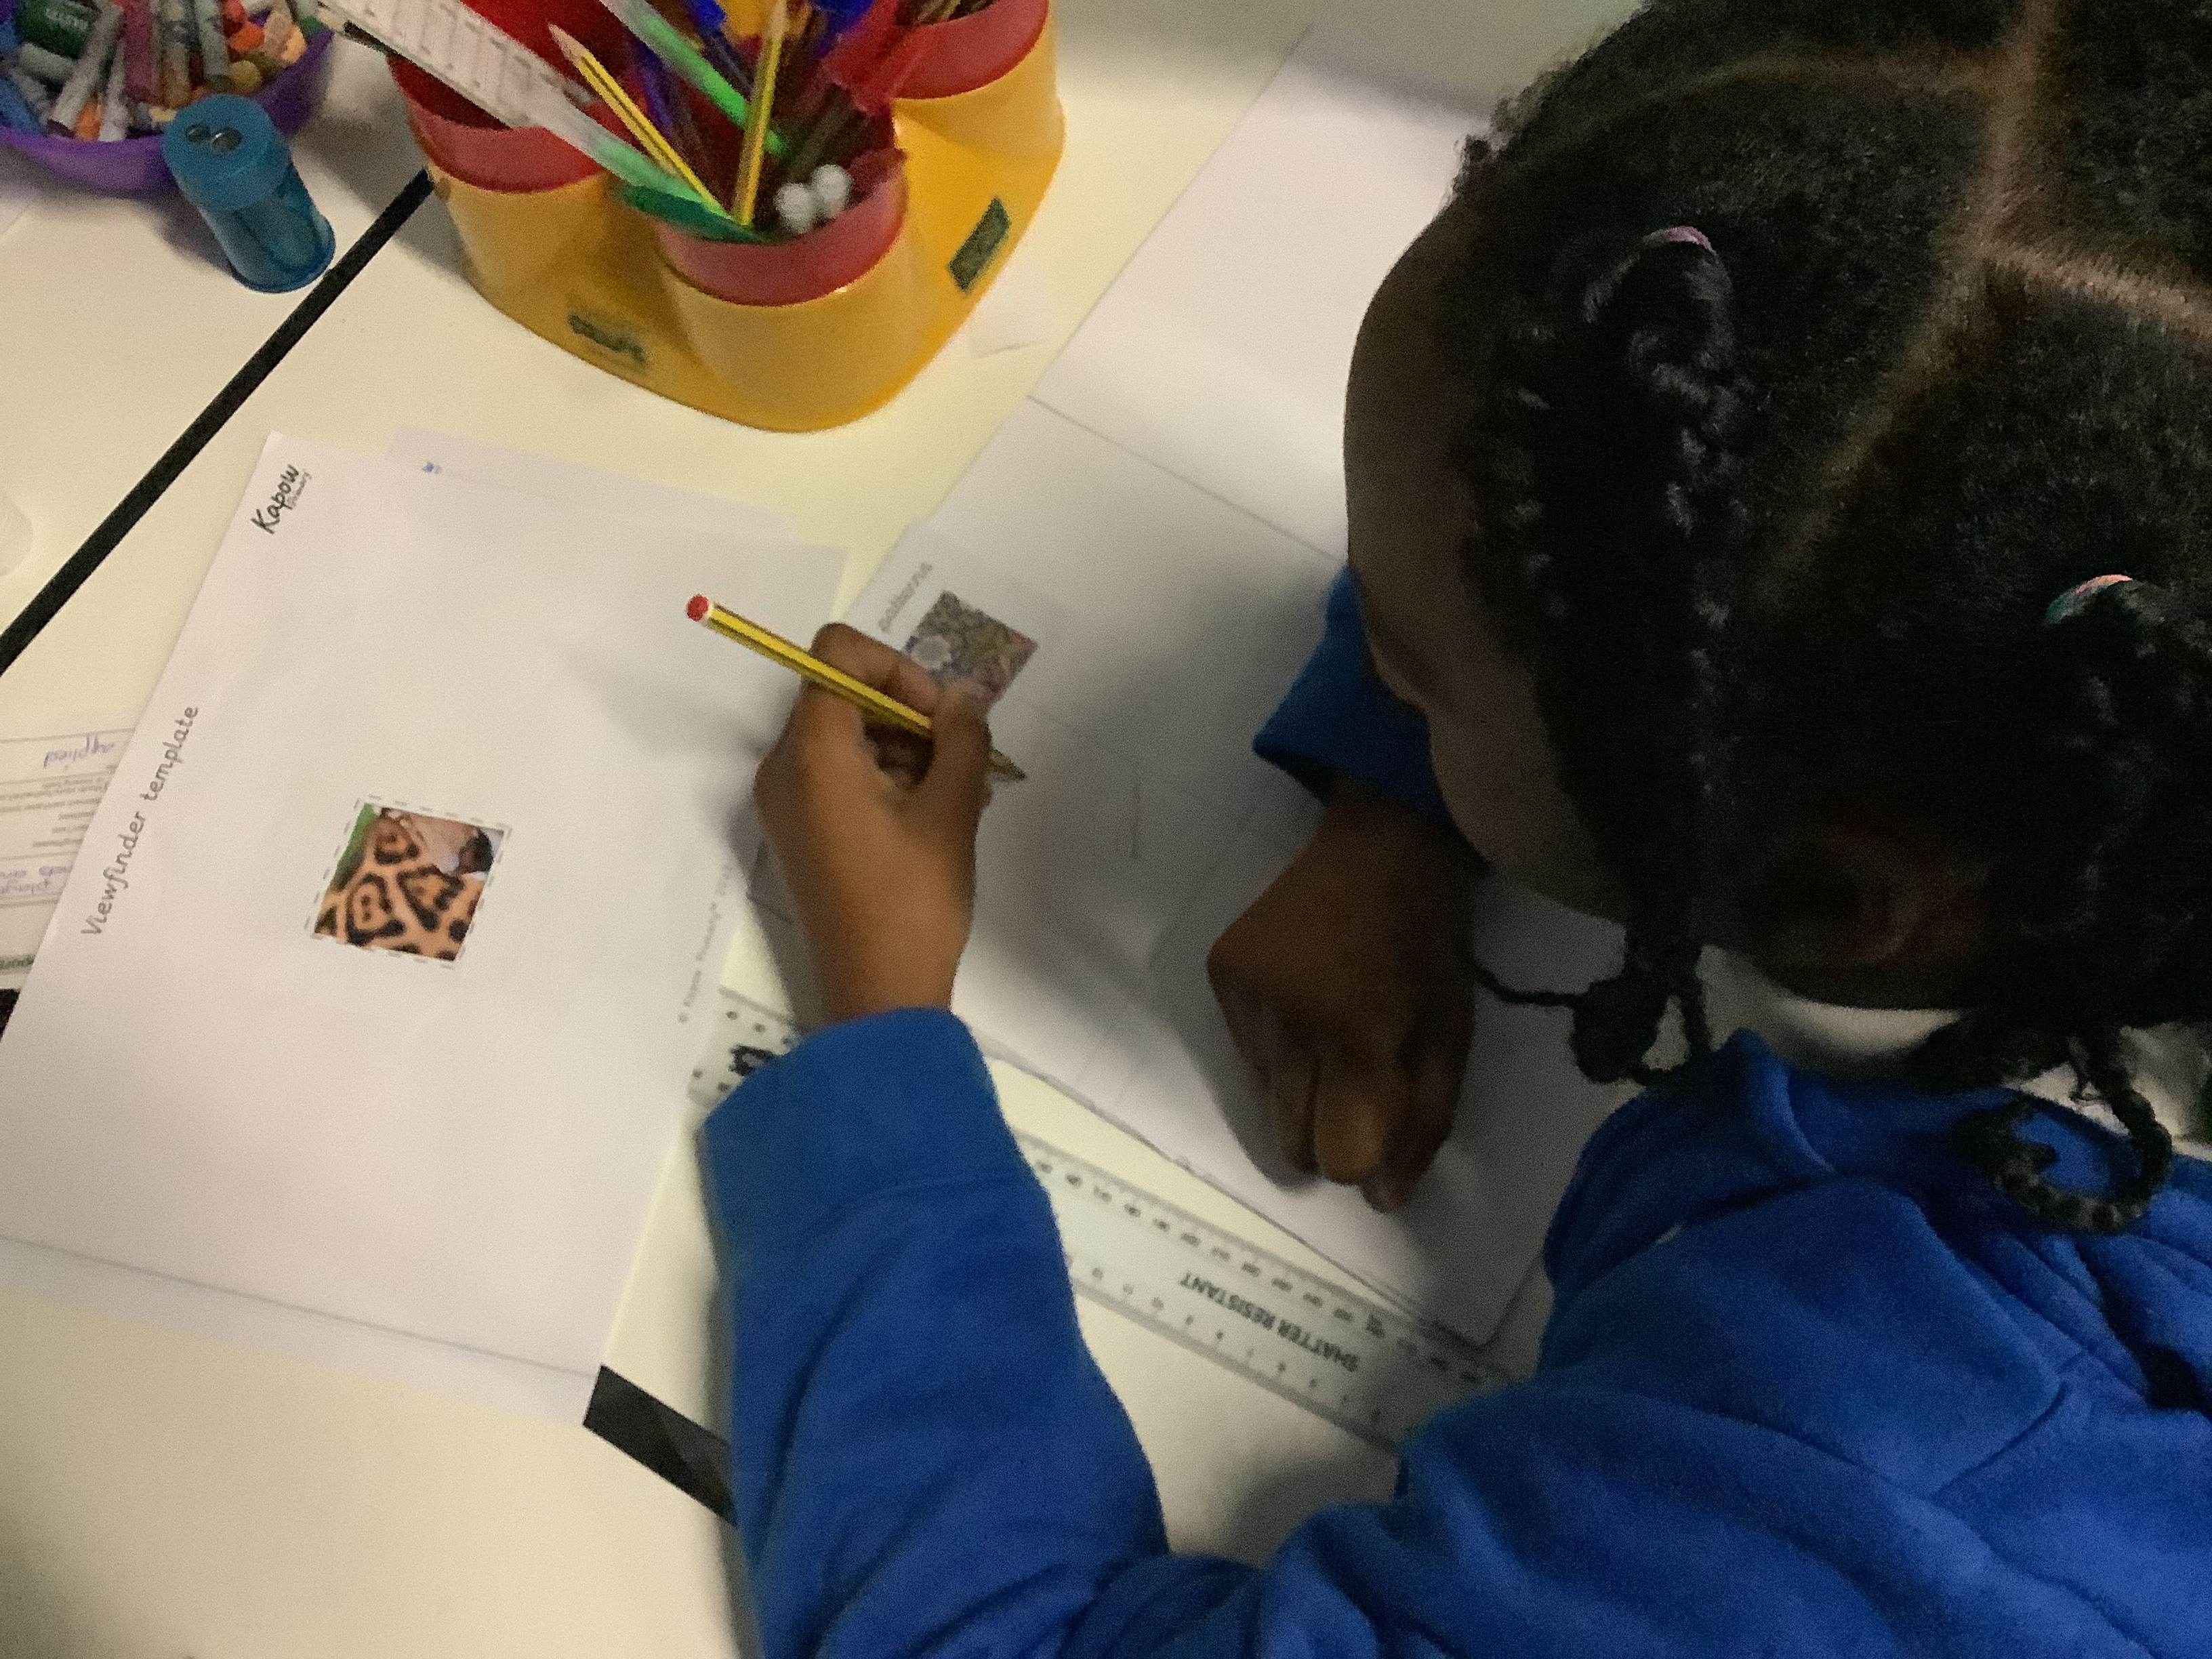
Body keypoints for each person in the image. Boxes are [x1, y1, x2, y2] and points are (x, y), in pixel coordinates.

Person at [709, 3, 2212, 1652]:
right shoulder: (2109, 607)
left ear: (1843, 903)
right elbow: (1662, 537)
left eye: (1410, 679)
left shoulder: (1894, 1481)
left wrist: (880, 1027)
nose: (1373, 656)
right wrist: (1399, 802)